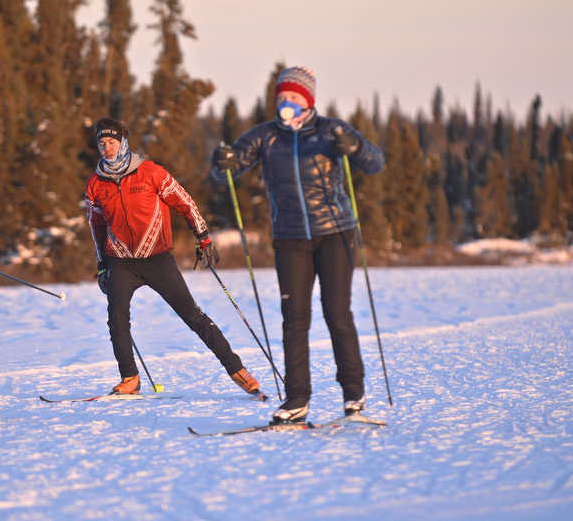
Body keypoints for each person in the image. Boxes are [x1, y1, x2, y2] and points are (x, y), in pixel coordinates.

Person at [211, 66, 384, 424]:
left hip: (336, 233)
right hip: (290, 239)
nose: (286, 103)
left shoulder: (330, 131)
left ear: (308, 100)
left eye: (293, 97)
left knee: (337, 313)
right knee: (294, 319)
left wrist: (355, 147)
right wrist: (223, 163)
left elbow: (374, 163)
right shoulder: (265, 136)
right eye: (281, 97)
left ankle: (353, 394)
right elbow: (229, 169)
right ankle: (296, 399)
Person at [85, 117, 265, 399]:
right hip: (120, 260)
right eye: (102, 143)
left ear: (123, 143)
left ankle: (238, 371)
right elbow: (96, 227)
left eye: (112, 142)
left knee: (193, 316)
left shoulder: (150, 172)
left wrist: (202, 236)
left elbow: (184, 201)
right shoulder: (96, 184)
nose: (107, 148)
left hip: (157, 259)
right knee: (116, 319)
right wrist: (102, 265)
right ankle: (129, 379)